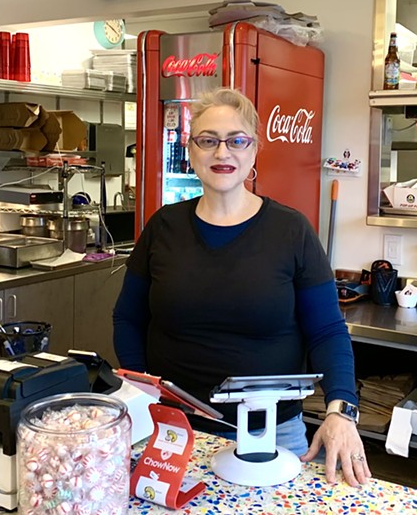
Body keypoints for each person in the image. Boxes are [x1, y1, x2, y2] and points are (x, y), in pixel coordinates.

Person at [113, 88, 370, 487]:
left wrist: (340, 410)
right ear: (191, 149)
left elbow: (327, 331)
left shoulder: (291, 230)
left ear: (253, 150)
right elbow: (128, 317)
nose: (222, 152)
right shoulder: (163, 227)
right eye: (208, 140)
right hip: (175, 430)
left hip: (272, 436)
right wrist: (142, 392)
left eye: (236, 140)